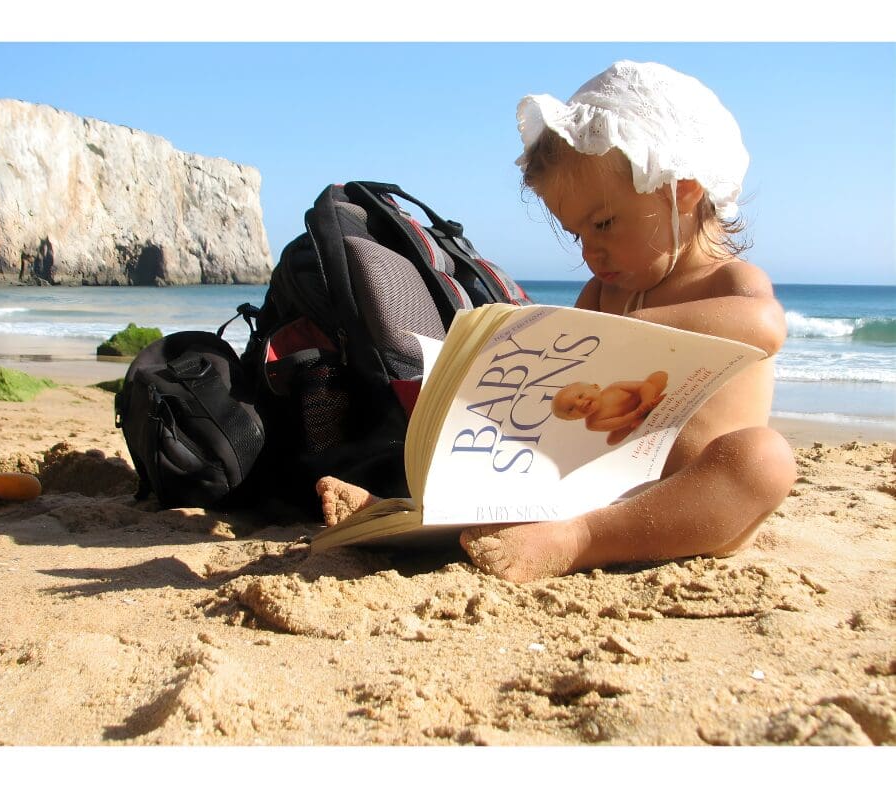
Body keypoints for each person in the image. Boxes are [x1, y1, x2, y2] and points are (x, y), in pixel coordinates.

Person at [319, 60, 797, 582]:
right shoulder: (605, 292)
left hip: (689, 498)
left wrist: (640, 329)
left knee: (763, 460)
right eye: (577, 235)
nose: (591, 251)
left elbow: (766, 325)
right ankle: (404, 517)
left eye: (604, 223)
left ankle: (581, 540)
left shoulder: (728, 280)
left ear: (682, 189)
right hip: (592, 486)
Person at [551, 371, 668, 445]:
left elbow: (644, 386)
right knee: (611, 441)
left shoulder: (615, 387)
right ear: (573, 419)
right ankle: (641, 419)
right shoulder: (592, 423)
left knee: (659, 376)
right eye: (571, 409)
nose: (579, 404)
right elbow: (620, 421)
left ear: (595, 387)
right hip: (630, 419)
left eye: (581, 396)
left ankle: (651, 404)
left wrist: (646, 402)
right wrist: (637, 414)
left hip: (643, 399)